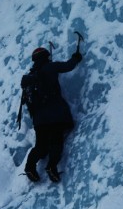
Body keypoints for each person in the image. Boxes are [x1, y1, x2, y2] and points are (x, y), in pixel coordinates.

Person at [22, 46, 82, 182]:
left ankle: (30, 167)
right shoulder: (50, 67)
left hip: (39, 119)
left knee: (41, 146)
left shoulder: (31, 77)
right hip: (55, 115)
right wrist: (76, 57)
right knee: (56, 142)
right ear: (45, 57)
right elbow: (68, 66)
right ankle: (51, 166)